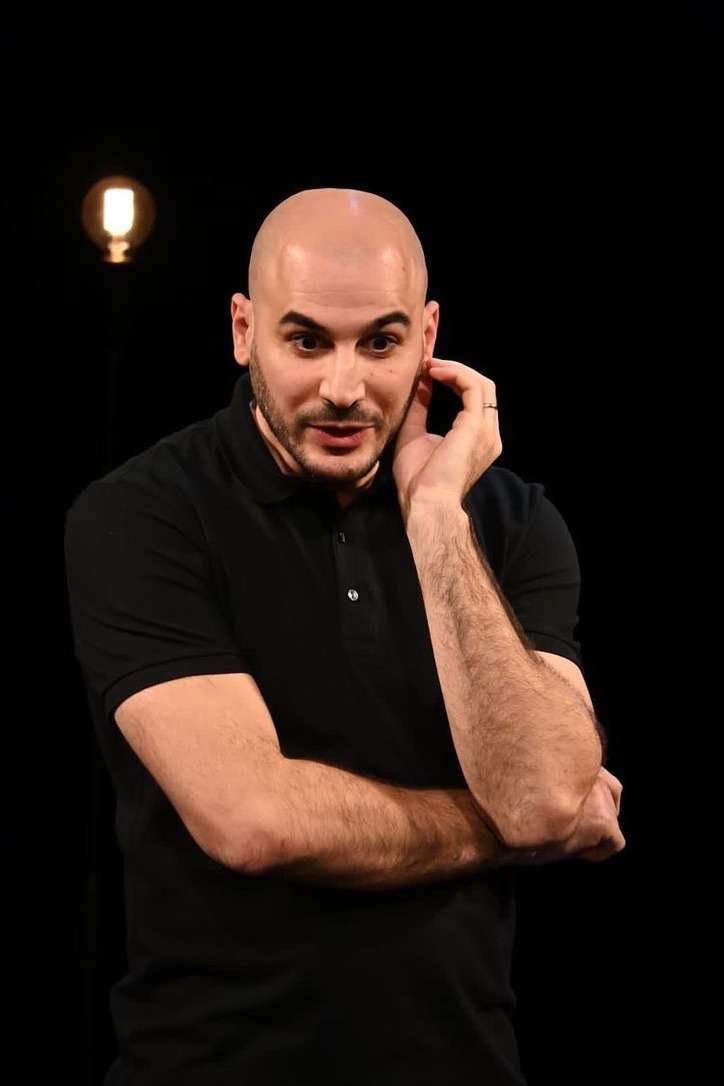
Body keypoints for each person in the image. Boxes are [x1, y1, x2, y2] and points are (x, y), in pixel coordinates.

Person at [64, 187, 625, 1086]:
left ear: (428, 338)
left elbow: (547, 789)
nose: (343, 387)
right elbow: (252, 820)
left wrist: (436, 519)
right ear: (244, 331)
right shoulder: (144, 515)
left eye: (380, 343)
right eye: (306, 341)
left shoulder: (510, 522)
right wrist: (511, 830)